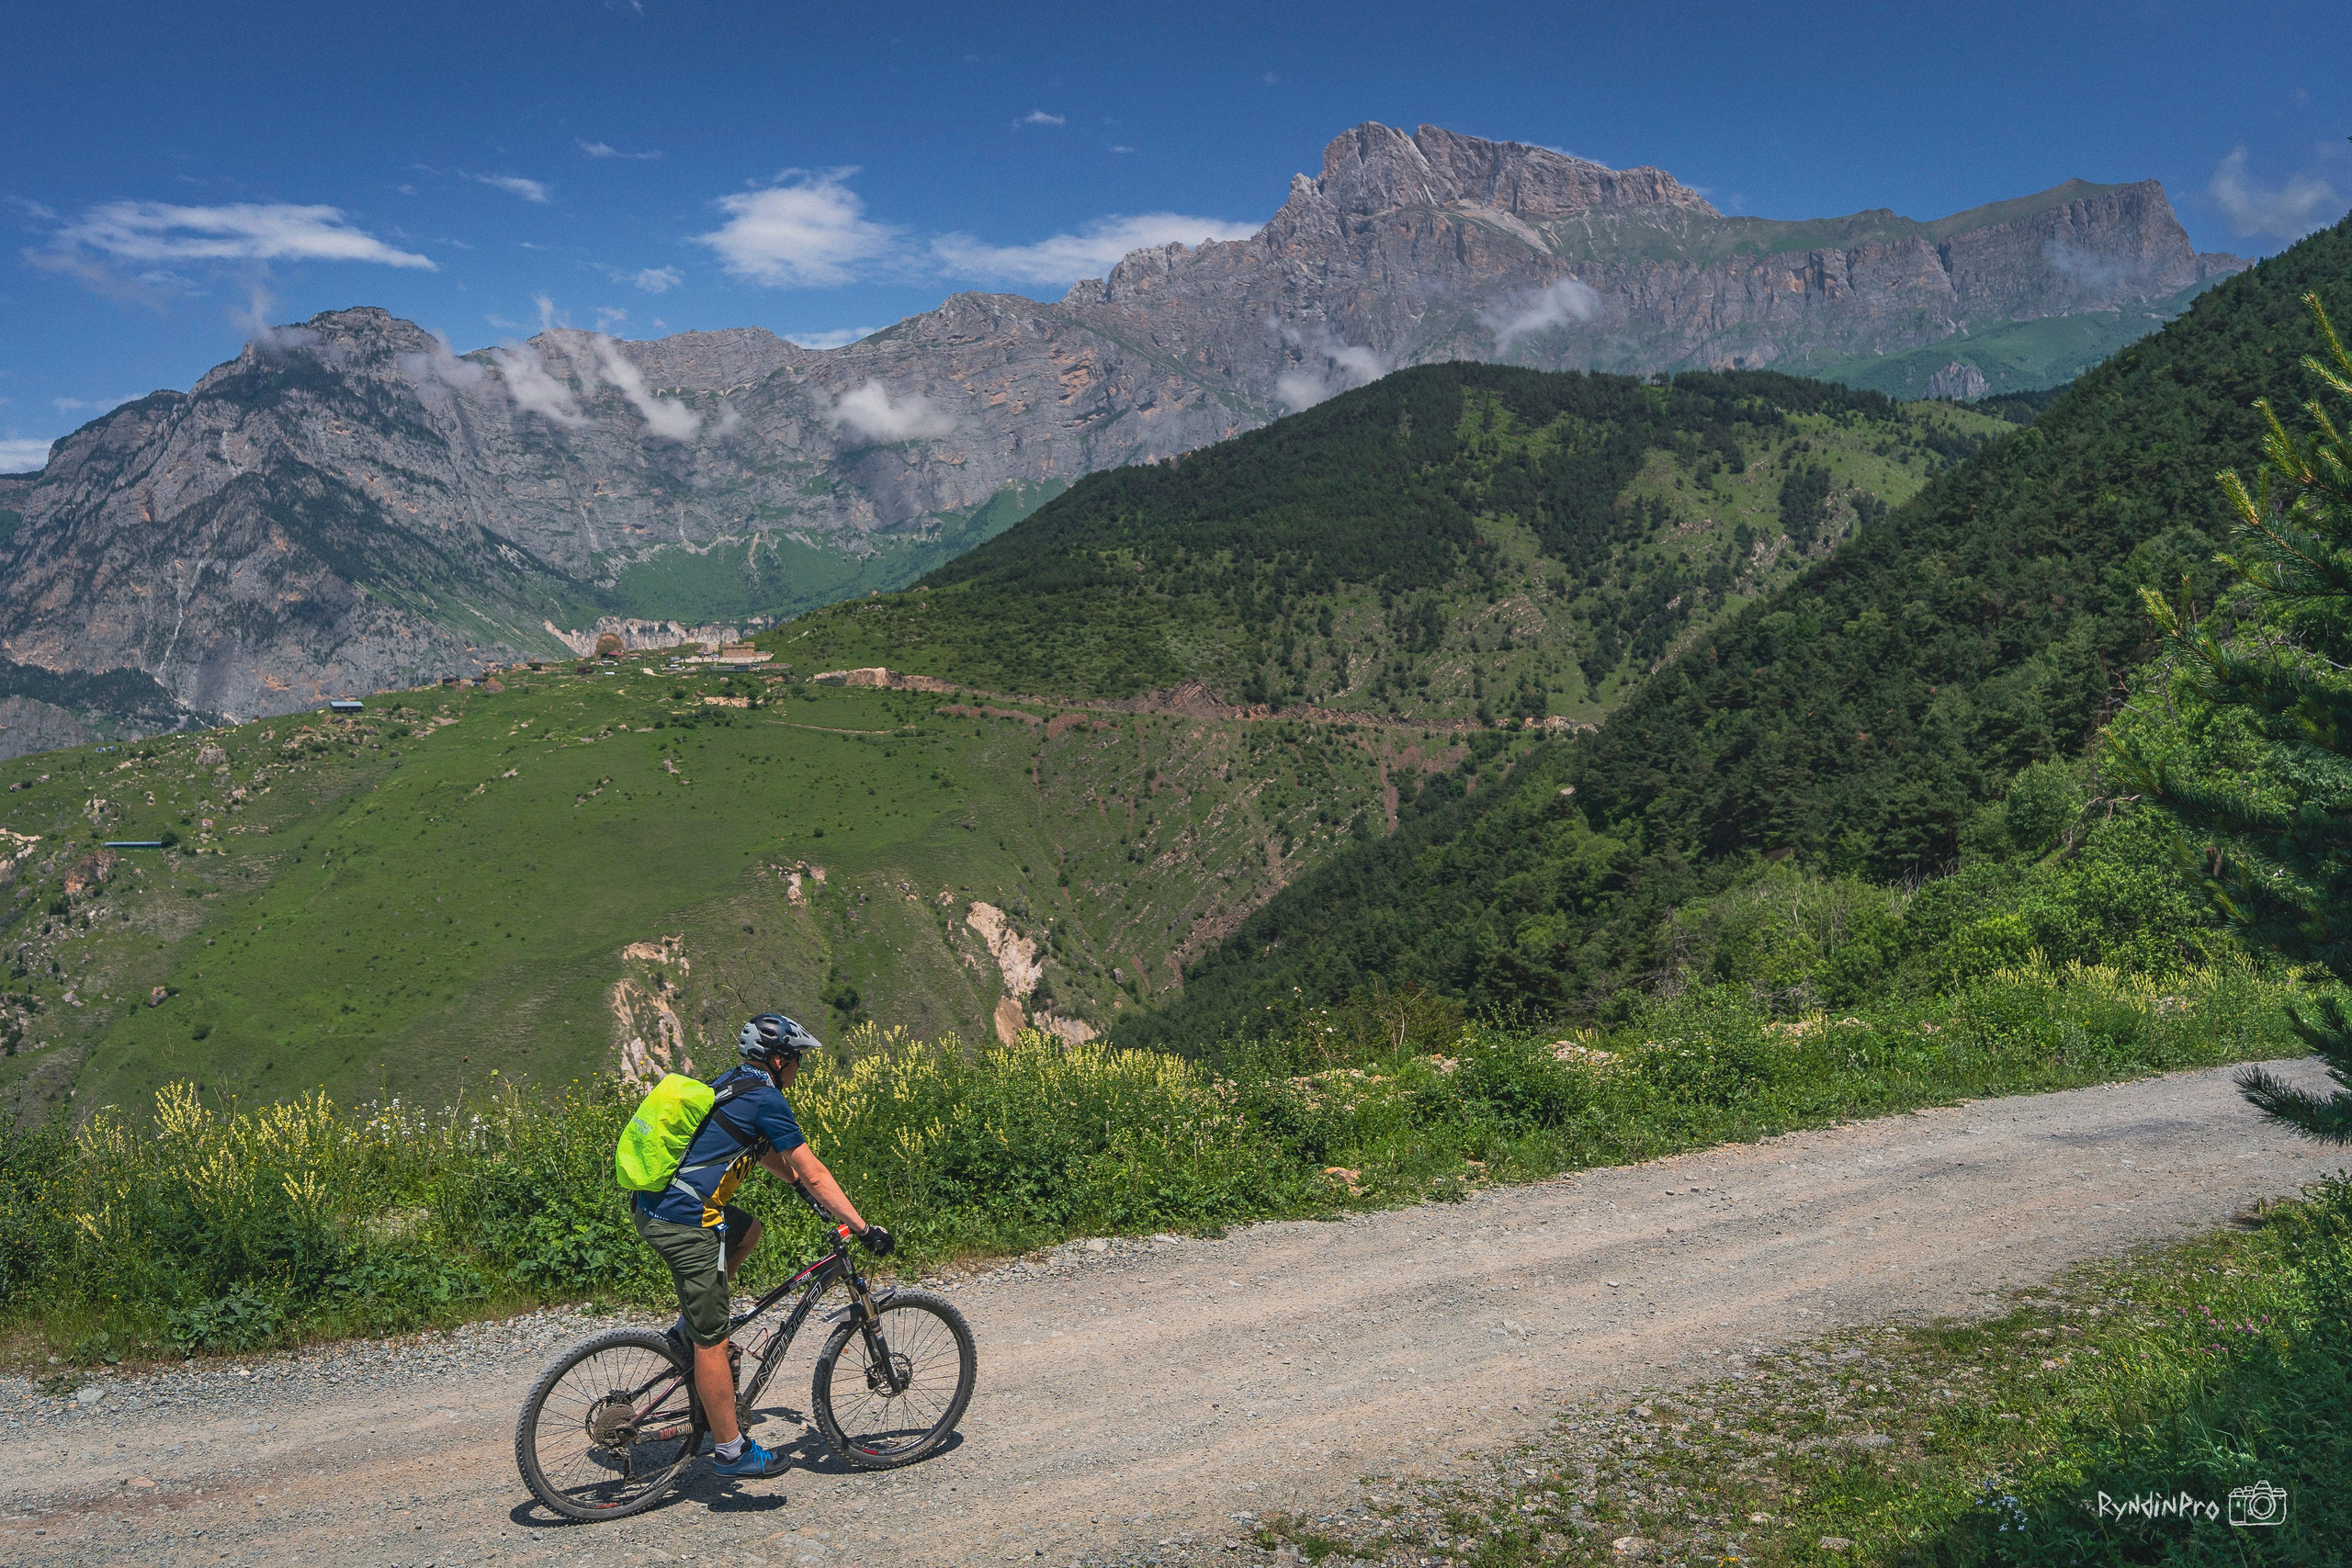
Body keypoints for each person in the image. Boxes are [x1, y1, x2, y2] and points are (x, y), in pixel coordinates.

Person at [629, 1012, 895, 1479]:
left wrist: (795, 1185)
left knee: (747, 1229)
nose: (799, 1071)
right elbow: (814, 1170)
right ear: (778, 1059)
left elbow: (758, 1145)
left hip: (656, 1202)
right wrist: (862, 1225)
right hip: (686, 1219)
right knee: (714, 1340)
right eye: (796, 1061)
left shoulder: (736, 1081)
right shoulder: (768, 1097)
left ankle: (684, 1334)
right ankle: (732, 1451)